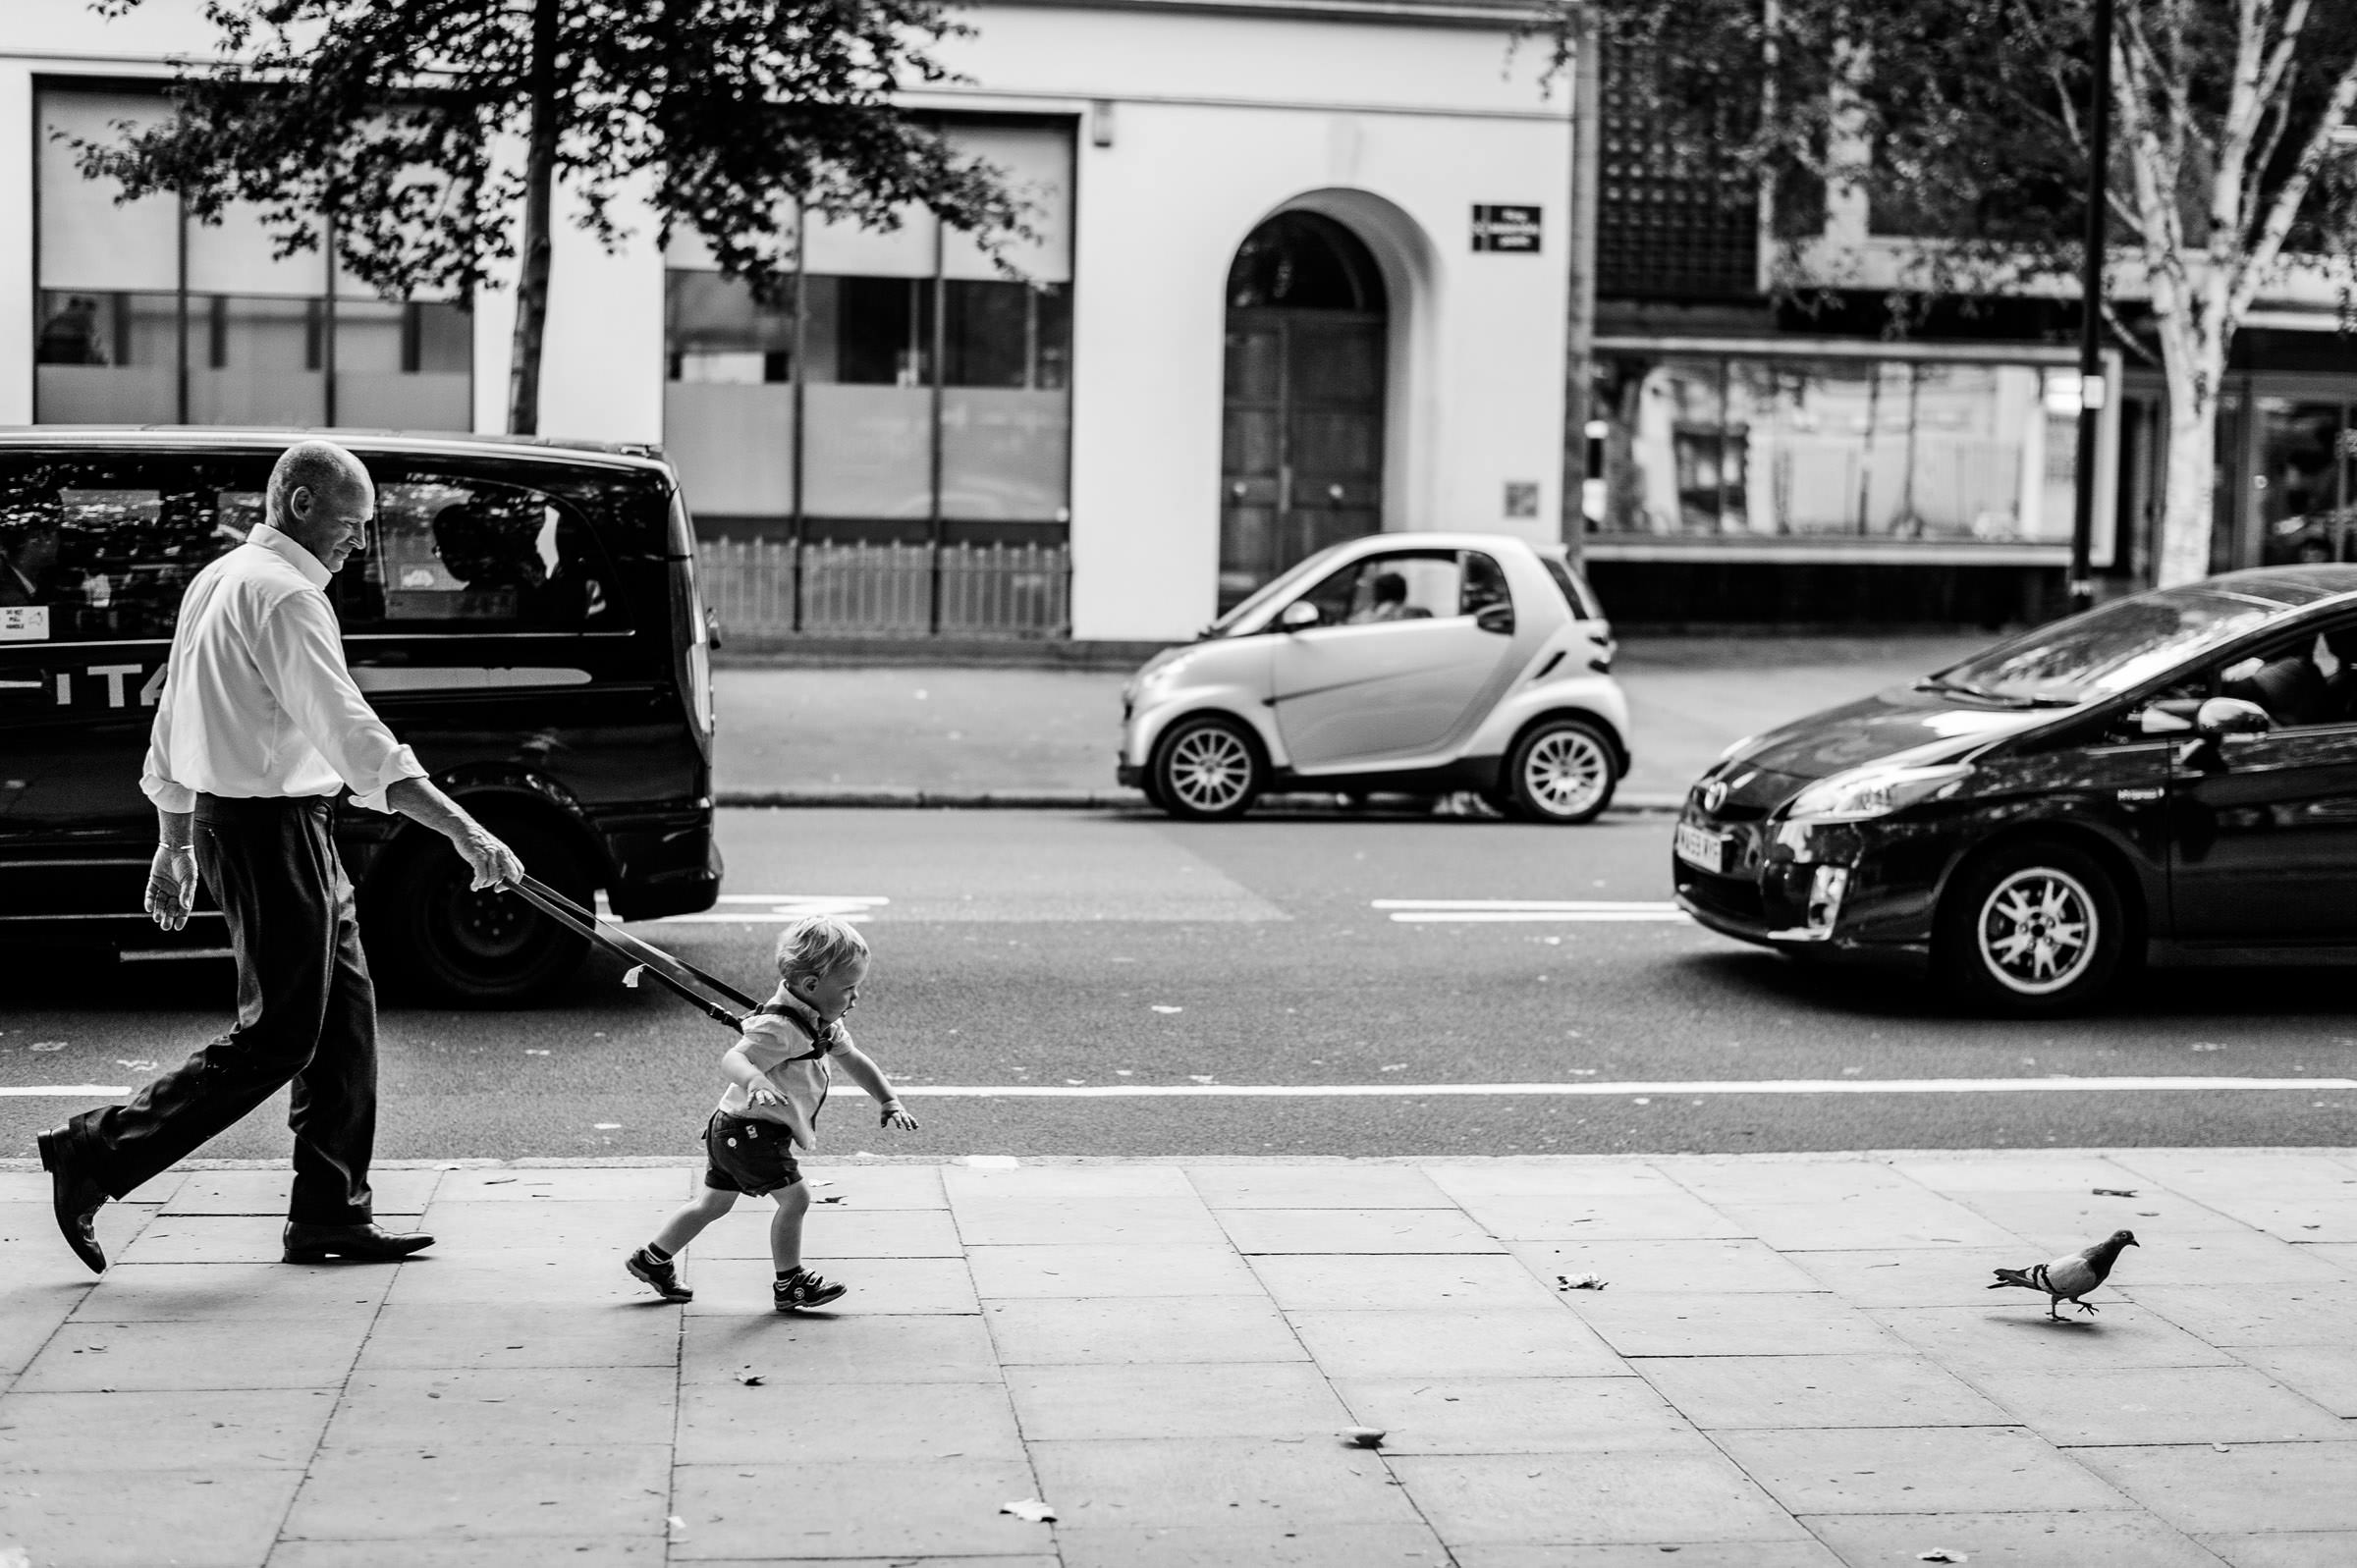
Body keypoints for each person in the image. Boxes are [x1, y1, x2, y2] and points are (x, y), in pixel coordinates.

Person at [36, 440, 526, 1273]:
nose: (359, 542)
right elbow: (353, 735)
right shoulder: (286, 596)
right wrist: (465, 829)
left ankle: (331, 1214)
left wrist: (176, 841)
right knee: (282, 1036)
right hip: (271, 831)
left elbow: (175, 723)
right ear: (301, 504)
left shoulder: (219, 578)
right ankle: (98, 1148)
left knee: (344, 1027)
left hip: (266, 825)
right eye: (352, 522)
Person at [624, 915, 920, 1311]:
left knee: (713, 1204)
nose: (856, 998)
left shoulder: (820, 1022)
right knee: (796, 1199)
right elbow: (733, 1059)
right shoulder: (780, 1027)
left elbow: (854, 1060)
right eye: (849, 988)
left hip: (731, 1128)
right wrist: (754, 1080)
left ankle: (653, 1259)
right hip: (750, 1131)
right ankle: (790, 1283)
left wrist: (888, 1100)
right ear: (811, 986)